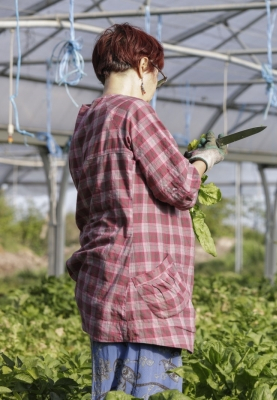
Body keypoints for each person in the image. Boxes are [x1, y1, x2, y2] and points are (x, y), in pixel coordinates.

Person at [66, 24, 226, 399]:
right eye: (157, 73)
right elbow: (181, 187)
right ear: (142, 66)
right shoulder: (136, 112)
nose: (155, 82)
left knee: (110, 390)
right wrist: (204, 160)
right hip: (144, 289)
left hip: (104, 280)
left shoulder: (86, 122)